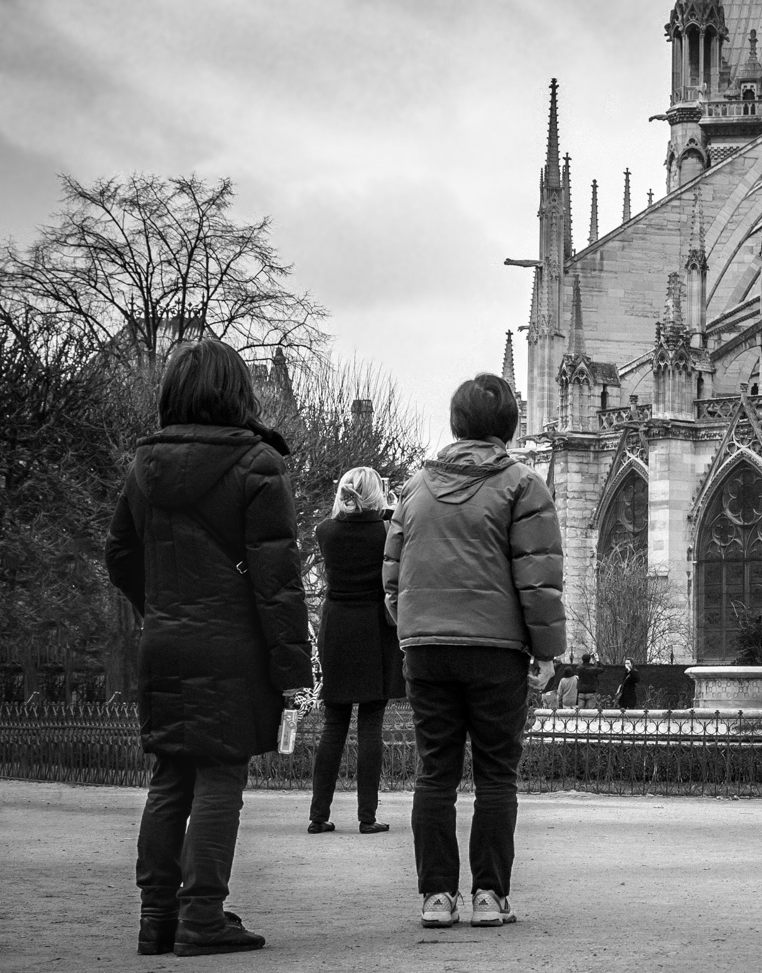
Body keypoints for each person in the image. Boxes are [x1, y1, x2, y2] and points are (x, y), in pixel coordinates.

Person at [105, 339, 312, 957]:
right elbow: (278, 584)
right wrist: (292, 670)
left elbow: (119, 555)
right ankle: (203, 913)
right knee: (221, 776)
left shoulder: (145, 468)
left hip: (164, 642)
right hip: (230, 646)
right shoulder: (257, 465)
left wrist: (162, 605)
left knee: (170, 775)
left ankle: (156, 918)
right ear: (237, 393)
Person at [383, 373, 564, 930]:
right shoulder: (523, 486)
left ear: (456, 424)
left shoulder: (413, 490)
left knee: (434, 773)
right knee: (495, 776)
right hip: (495, 650)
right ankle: (489, 896)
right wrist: (547, 651)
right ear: (508, 426)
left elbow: (391, 581)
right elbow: (538, 581)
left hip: (428, 650)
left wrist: (415, 631)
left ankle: (436, 897)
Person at [307, 467, 405, 836]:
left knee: (334, 726)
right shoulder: (384, 531)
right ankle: (367, 816)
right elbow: (393, 521)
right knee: (370, 728)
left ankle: (318, 815)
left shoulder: (324, 531)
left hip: (337, 628)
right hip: (375, 628)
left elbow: (342, 518)